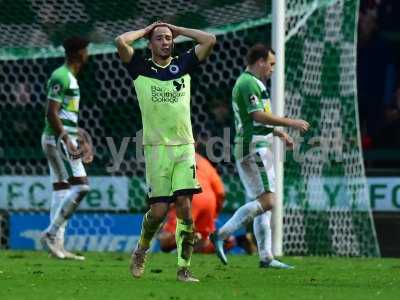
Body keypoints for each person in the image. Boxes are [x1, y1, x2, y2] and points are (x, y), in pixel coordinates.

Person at [115, 22, 216, 282]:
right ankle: (141, 249)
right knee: (158, 212)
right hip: (156, 148)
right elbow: (121, 42)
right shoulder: (141, 68)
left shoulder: (183, 64)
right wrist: (147, 29)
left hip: (184, 146)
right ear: (151, 43)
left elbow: (209, 39)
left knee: (184, 205)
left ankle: (184, 268)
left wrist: (179, 29)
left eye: (168, 38)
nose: (165, 42)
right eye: (159, 38)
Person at [211, 43, 310, 268]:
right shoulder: (247, 83)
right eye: (271, 63)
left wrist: (280, 133)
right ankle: (222, 234)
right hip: (253, 148)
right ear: (260, 62)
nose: (273, 68)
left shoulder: (253, 83)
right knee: (268, 200)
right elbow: (257, 116)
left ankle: (266, 257)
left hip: (253, 145)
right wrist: (290, 122)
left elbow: (255, 118)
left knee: (263, 204)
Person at [40, 36, 93, 260]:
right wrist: (67, 139)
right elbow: (51, 113)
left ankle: (57, 246)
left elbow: (65, 115)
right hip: (57, 139)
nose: (88, 54)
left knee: (61, 189)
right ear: (79, 53)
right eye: (86, 50)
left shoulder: (69, 77)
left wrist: (78, 135)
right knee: (81, 188)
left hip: (60, 137)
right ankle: (51, 234)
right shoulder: (61, 76)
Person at [158, 152, 225, 254]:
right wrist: (215, 213)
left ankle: (190, 236)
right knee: (202, 243)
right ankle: (231, 241)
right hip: (209, 199)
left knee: (164, 243)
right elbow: (221, 193)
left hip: (188, 197)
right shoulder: (204, 161)